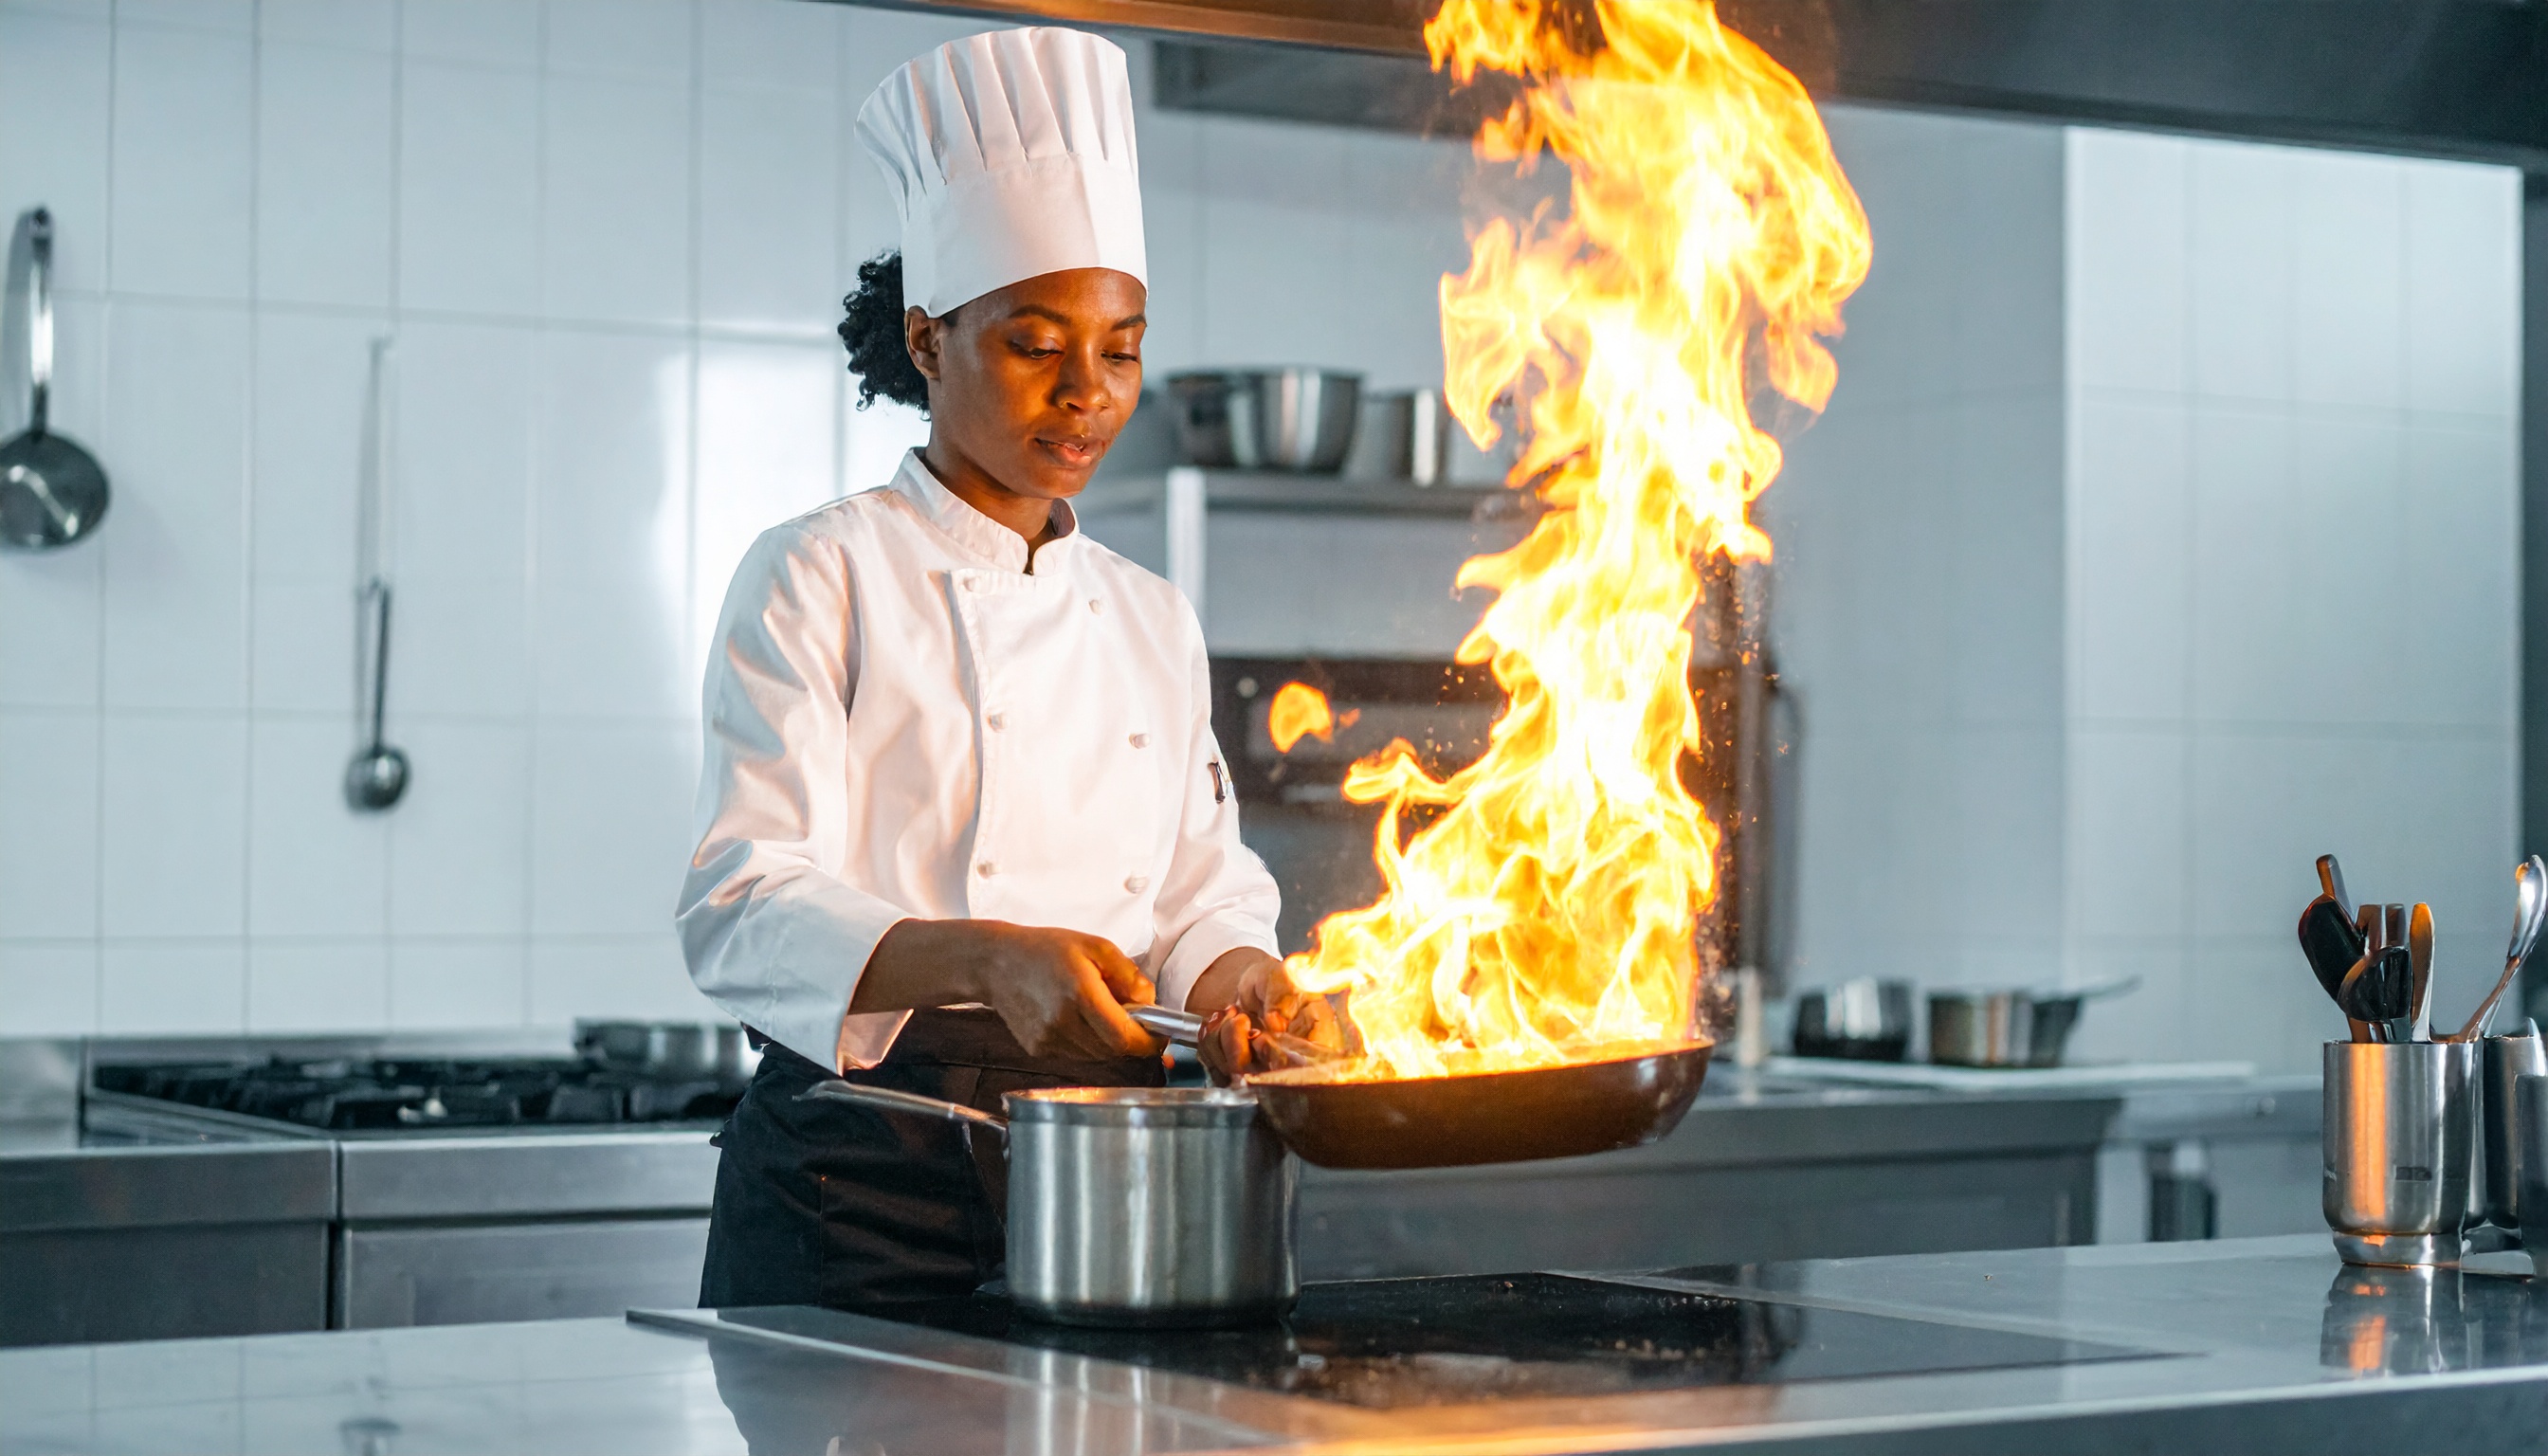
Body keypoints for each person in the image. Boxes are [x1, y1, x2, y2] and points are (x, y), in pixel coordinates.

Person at [678, 26, 1339, 1314]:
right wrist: (989, 960)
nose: (1087, 392)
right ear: (929, 341)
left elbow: (1198, 890)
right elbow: (737, 904)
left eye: (1123, 346)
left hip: (1113, 1169)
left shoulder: (1149, 616)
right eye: (1037, 344)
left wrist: (1240, 977)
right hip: (856, 1179)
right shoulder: (822, 572)